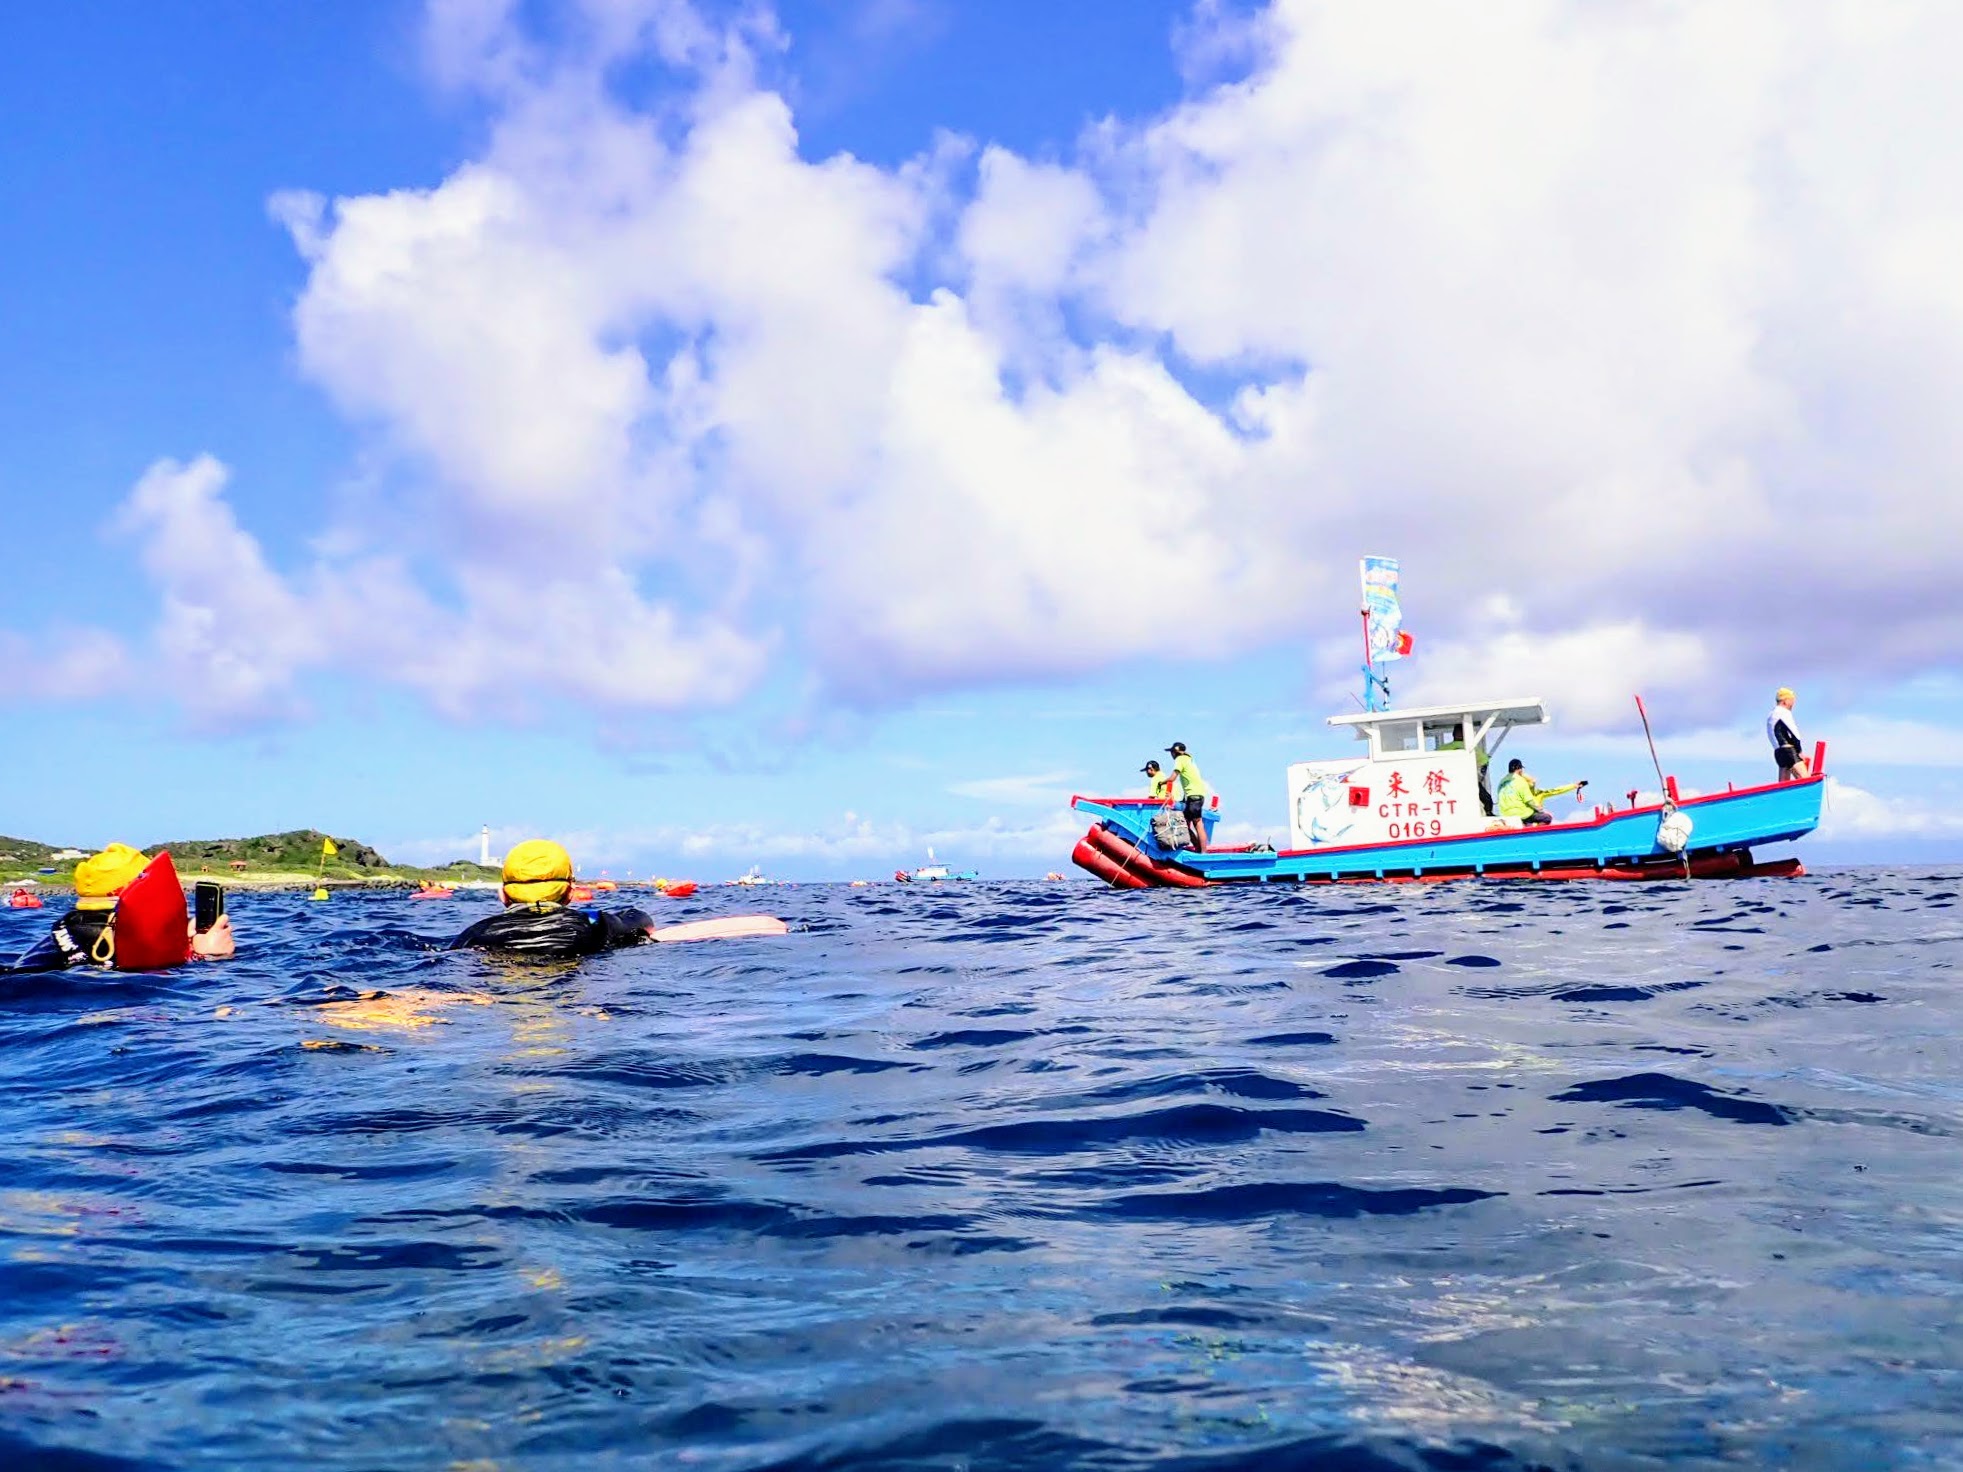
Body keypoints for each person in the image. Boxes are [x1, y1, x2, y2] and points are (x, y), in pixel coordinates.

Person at [6, 842, 236, 974]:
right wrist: (205, 956)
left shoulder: (77, 927)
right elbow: (135, 971)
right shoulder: (116, 941)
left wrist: (175, 939)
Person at [451, 839, 657, 959]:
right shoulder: (594, 923)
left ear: (503, 894)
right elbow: (639, 918)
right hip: (572, 993)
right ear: (571, 892)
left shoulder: (475, 933)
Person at [1494, 759, 1585, 827]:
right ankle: (1532, 831)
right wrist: (1543, 811)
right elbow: (1529, 801)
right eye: (1531, 782)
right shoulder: (1522, 783)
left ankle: (1529, 828)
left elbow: (1556, 790)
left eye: (1533, 782)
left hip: (1505, 815)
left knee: (1532, 818)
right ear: (1520, 770)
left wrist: (1574, 786)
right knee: (1546, 817)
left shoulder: (1502, 782)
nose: (1533, 784)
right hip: (1523, 815)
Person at [1436, 724, 1494, 816]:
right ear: (1464, 734)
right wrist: (1477, 777)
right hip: (1467, 780)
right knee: (1487, 800)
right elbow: (1484, 761)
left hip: (1448, 783)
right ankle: (1488, 813)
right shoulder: (1471, 748)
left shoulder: (1442, 749)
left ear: (1453, 734)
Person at [1166, 742, 1210, 851]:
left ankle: (1202, 852)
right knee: (1186, 823)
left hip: (1193, 796)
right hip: (1197, 795)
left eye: (1172, 752)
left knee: (1196, 823)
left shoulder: (1180, 759)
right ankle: (1199, 849)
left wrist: (1161, 783)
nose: (1171, 755)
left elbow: (1172, 778)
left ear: (1175, 752)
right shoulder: (1189, 759)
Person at [1767, 687, 1810, 782]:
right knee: (1805, 779)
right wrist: (1799, 751)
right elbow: (1794, 733)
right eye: (1792, 701)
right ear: (1785, 701)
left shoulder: (1771, 715)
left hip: (1778, 753)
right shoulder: (1783, 712)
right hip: (1789, 751)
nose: (1793, 704)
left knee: (1784, 785)